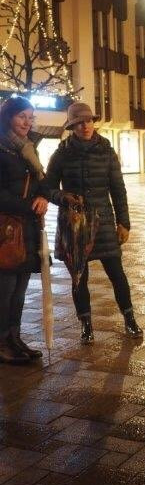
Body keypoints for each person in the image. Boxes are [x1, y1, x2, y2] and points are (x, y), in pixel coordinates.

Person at [44, 101, 142, 345]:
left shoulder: (106, 151)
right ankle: (85, 323)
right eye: (79, 123)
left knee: (117, 274)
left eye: (88, 121)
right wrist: (62, 197)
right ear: (72, 126)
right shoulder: (62, 153)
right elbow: (47, 188)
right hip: (74, 224)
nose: (85, 126)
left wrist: (124, 223)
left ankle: (129, 318)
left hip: (103, 222)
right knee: (79, 277)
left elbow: (118, 190)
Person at [0, 96, 53, 363]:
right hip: (6, 231)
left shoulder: (28, 148)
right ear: (9, 116)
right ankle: (2, 343)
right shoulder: (1, 148)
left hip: (27, 229)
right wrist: (28, 205)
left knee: (20, 289)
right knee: (5, 289)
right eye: (22, 116)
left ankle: (15, 338)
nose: (27, 122)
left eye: (31, 117)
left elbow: (43, 181)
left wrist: (43, 197)